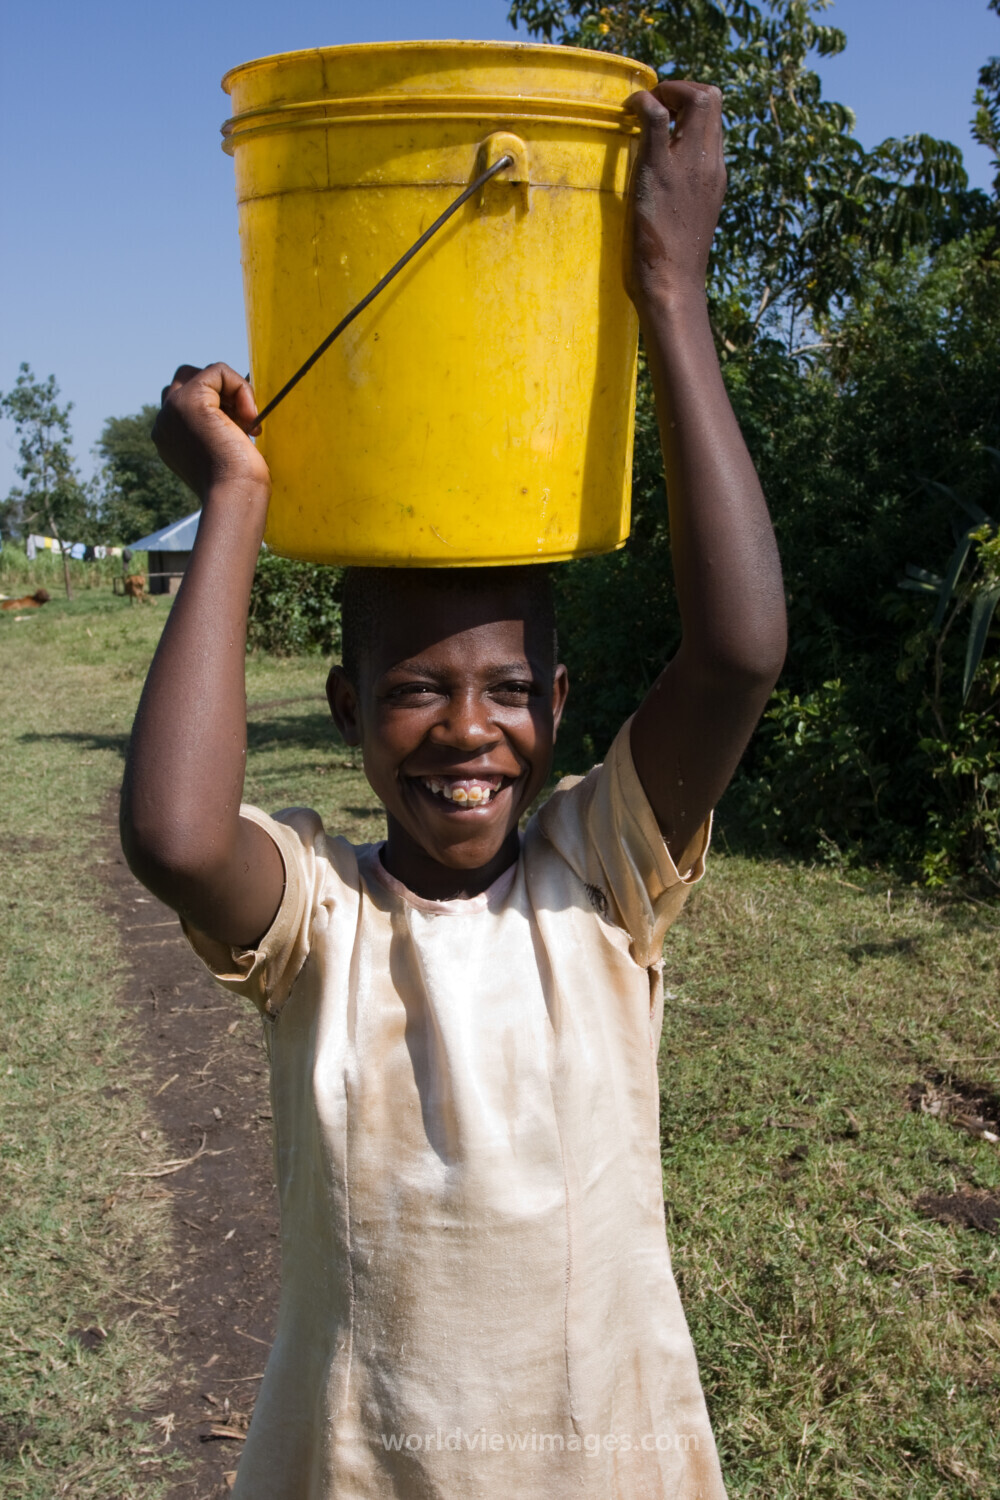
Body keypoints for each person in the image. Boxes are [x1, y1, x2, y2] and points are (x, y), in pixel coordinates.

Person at [121, 80, 786, 1499]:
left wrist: (670, 286)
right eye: (417, 691)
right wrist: (234, 498)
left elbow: (738, 653)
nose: (463, 732)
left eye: (501, 691)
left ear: (556, 709)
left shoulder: (600, 881)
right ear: (353, 713)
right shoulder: (321, 923)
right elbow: (175, 837)